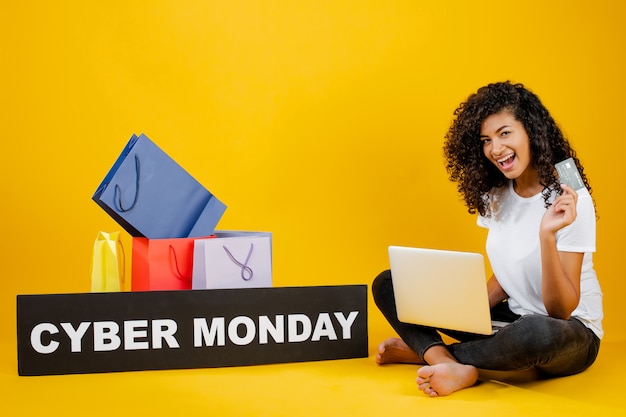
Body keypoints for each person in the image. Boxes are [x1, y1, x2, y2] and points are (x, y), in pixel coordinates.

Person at [372, 81, 603, 397]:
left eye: (505, 133)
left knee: (535, 334)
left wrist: (547, 235)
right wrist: (465, 310)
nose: (495, 148)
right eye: (486, 140)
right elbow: (508, 276)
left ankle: (425, 352)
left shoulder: (569, 198)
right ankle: (447, 361)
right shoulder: (496, 195)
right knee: (389, 283)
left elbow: (560, 310)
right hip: (512, 320)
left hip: (569, 334)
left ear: (531, 131)